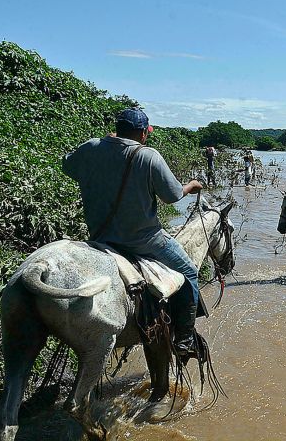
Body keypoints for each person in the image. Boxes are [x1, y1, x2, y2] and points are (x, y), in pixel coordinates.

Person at [62, 107, 204, 357]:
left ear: (117, 129)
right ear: (142, 133)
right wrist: (191, 185)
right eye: (145, 133)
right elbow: (171, 196)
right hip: (144, 241)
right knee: (190, 273)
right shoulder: (148, 156)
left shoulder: (91, 147)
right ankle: (184, 340)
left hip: (99, 237)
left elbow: (68, 166)